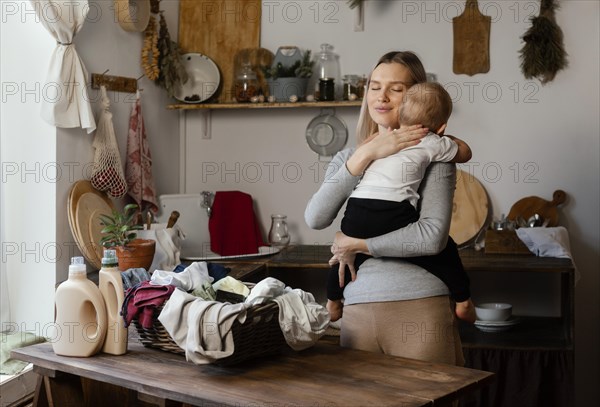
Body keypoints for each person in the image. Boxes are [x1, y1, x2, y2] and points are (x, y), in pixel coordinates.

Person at [305, 51, 470, 366]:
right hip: (356, 312)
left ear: (416, 97)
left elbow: (431, 237)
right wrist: (364, 156)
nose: (381, 96)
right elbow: (316, 217)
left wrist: (358, 245)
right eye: (374, 86)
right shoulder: (348, 158)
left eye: (396, 88)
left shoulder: (432, 156)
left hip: (418, 308)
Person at [325, 81, 476, 324]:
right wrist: (446, 137)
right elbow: (466, 153)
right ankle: (463, 300)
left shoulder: (383, 141)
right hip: (391, 210)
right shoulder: (431, 142)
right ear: (441, 126)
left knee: (344, 256)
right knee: (444, 250)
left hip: (357, 208)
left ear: (400, 113)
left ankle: (333, 301)